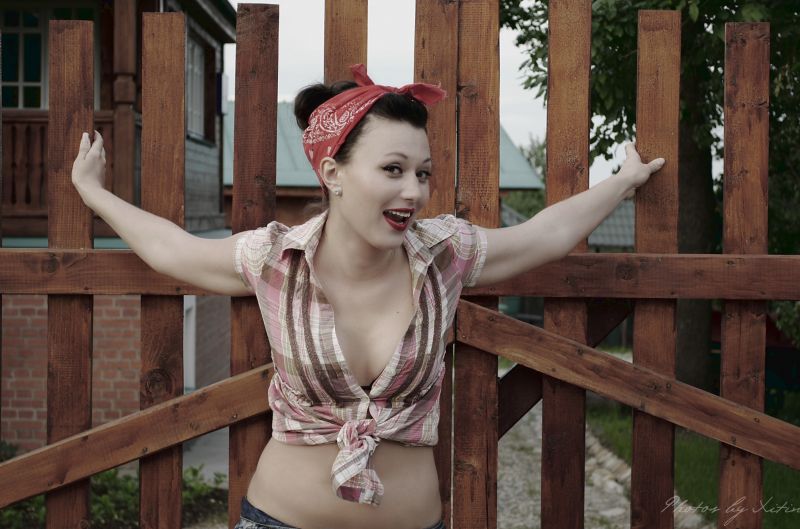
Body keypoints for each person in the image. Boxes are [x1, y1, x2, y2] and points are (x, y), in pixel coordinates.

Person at [71, 64, 665, 529]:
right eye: (393, 169)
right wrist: (92, 192)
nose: (414, 191)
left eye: (423, 173)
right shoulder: (274, 258)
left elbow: (545, 234)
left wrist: (622, 182)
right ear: (333, 174)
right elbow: (172, 249)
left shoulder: (446, 254)